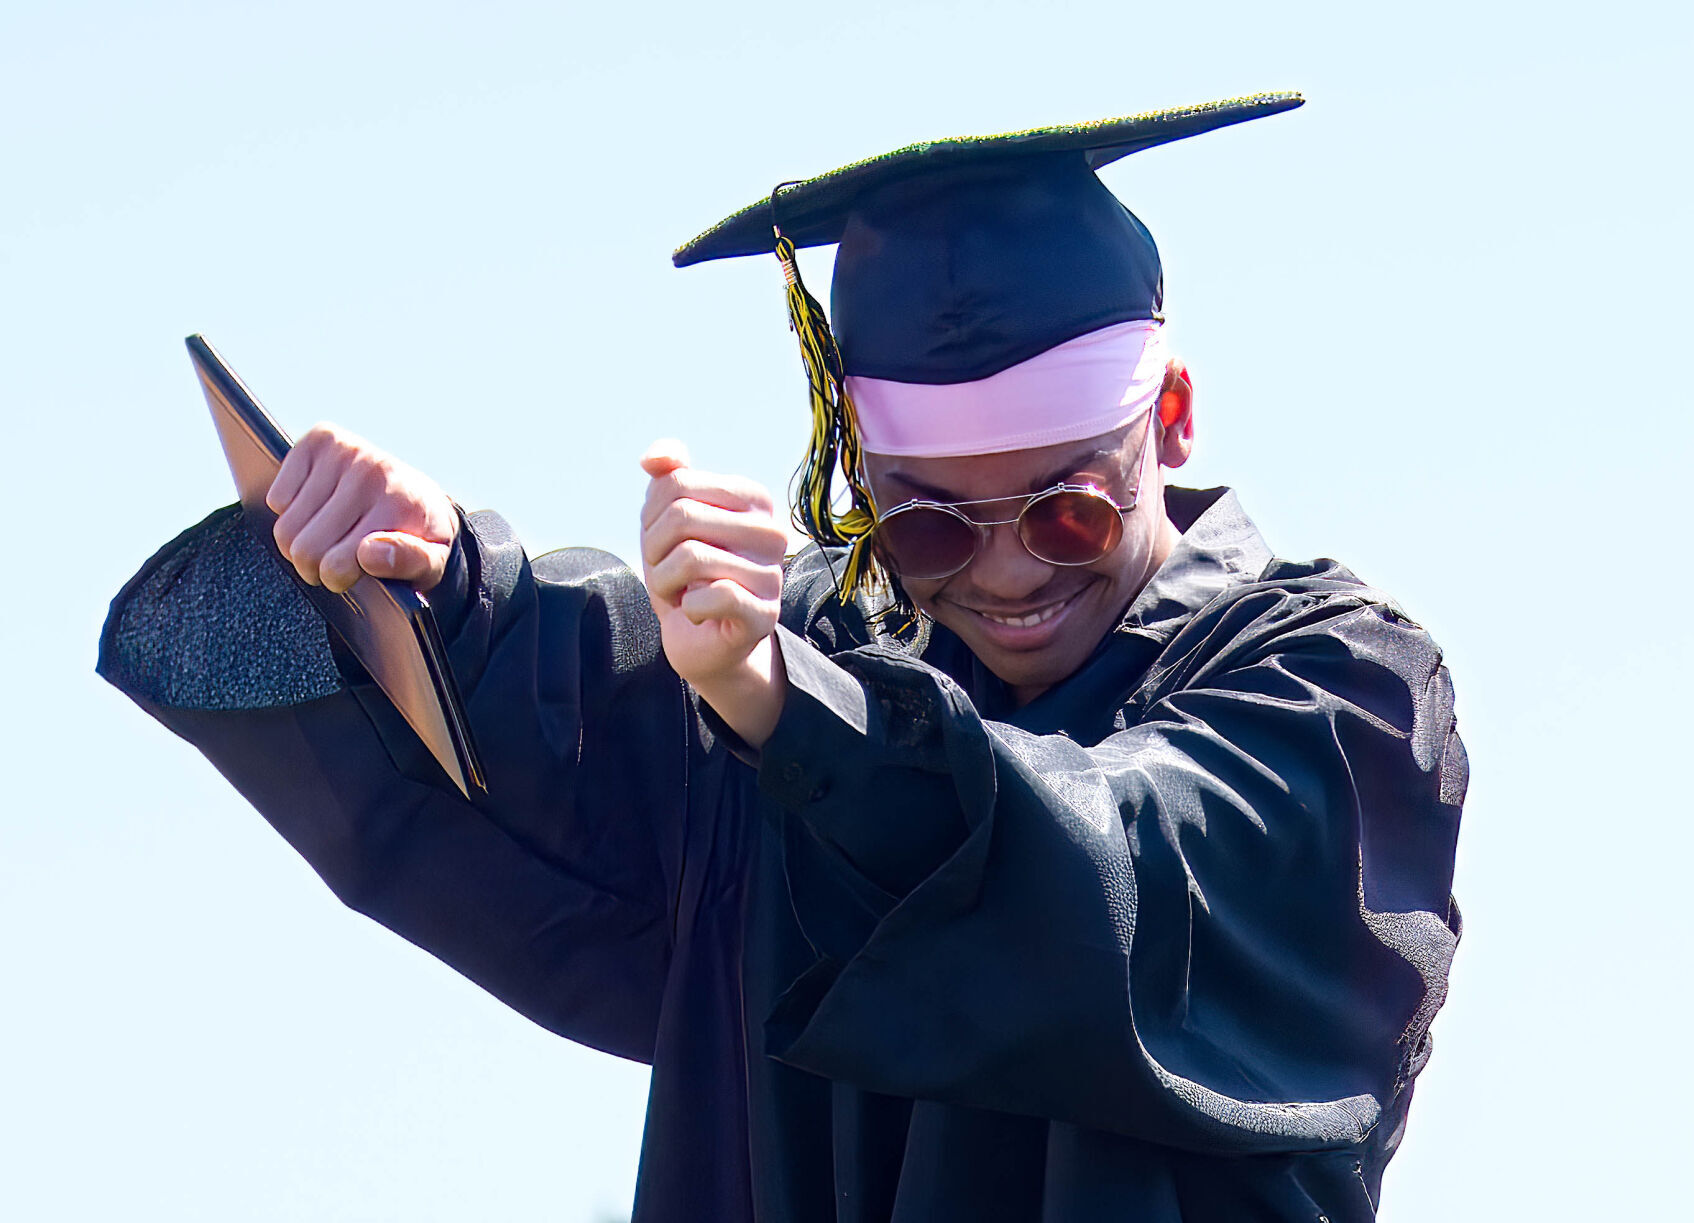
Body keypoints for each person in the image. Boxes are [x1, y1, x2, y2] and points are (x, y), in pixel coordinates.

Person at [98, 92, 1465, 1221]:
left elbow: (1109, 881)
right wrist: (432, 571)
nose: (1002, 570)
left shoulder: (1332, 686)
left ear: (1169, 418)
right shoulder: (818, 646)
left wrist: (782, 705)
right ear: (857, 476)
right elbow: (580, 743)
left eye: (1066, 507)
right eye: (926, 523)